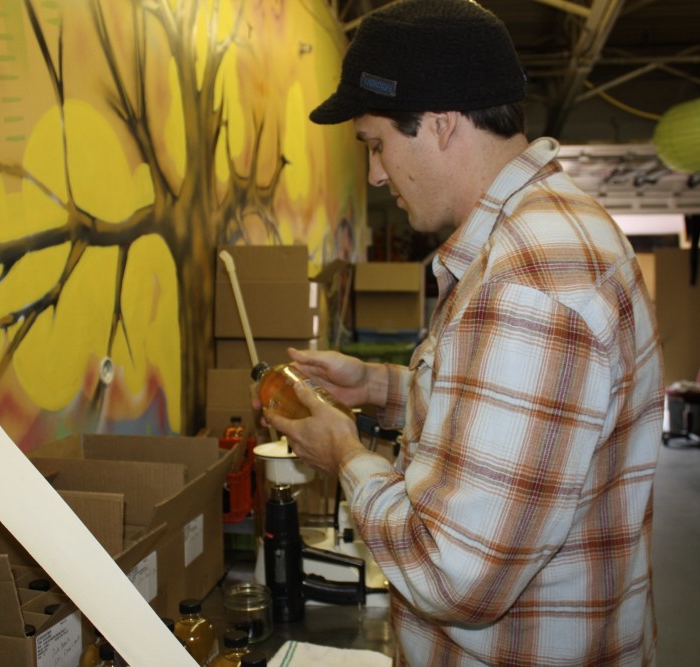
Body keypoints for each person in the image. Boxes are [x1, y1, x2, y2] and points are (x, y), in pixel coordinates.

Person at [262, 1, 664, 664]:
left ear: (442, 124)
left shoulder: (530, 280)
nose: (377, 175)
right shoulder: (542, 234)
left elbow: (454, 573)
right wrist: (383, 388)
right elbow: (511, 415)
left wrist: (344, 453)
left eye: (376, 144)